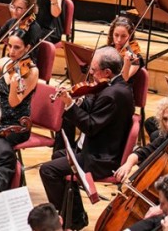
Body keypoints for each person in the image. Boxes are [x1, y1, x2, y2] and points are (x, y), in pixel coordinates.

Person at [40, 46, 134, 231]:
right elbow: (94, 102)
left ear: (107, 72)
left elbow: (90, 126)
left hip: (100, 158)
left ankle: (71, 221)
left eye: (93, 70)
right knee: (58, 156)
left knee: (48, 171)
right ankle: (76, 216)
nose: (90, 74)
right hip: (97, 147)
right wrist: (78, 100)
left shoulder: (112, 95)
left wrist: (69, 105)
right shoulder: (116, 85)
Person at [107, 16, 145, 81]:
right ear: (112, 34)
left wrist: (127, 64)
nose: (119, 40)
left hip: (121, 88)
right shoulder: (107, 49)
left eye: (123, 36)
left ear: (130, 36)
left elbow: (124, 79)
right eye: (116, 35)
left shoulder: (134, 57)